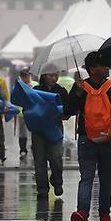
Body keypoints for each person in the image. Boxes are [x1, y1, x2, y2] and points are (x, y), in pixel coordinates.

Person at [68, 52, 111, 221]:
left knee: (86, 178)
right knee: (105, 178)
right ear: (93, 68)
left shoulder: (86, 86)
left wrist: (78, 92)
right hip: (106, 138)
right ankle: (103, 216)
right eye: (104, 65)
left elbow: (68, 110)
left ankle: (83, 213)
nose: (107, 68)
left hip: (88, 138)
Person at [33, 69, 70, 198]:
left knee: (56, 157)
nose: (54, 78)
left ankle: (57, 181)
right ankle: (42, 188)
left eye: (56, 75)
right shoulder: (36, 89)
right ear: (44, 75)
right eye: (51, 75)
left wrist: (63, 114)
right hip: (39, 129)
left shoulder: (61, 91)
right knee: (40, 159)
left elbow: (68, 109)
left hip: (55, 127)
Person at [17, 67, 37, 159]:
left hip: (34, 112)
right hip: (22, 112)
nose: (25, 77)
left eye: (27, 75)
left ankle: (35, 148)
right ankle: (23, 149)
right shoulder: (18, 86)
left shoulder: (35, 85)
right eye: (23, 76)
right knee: (22, 132)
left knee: (34, 131)